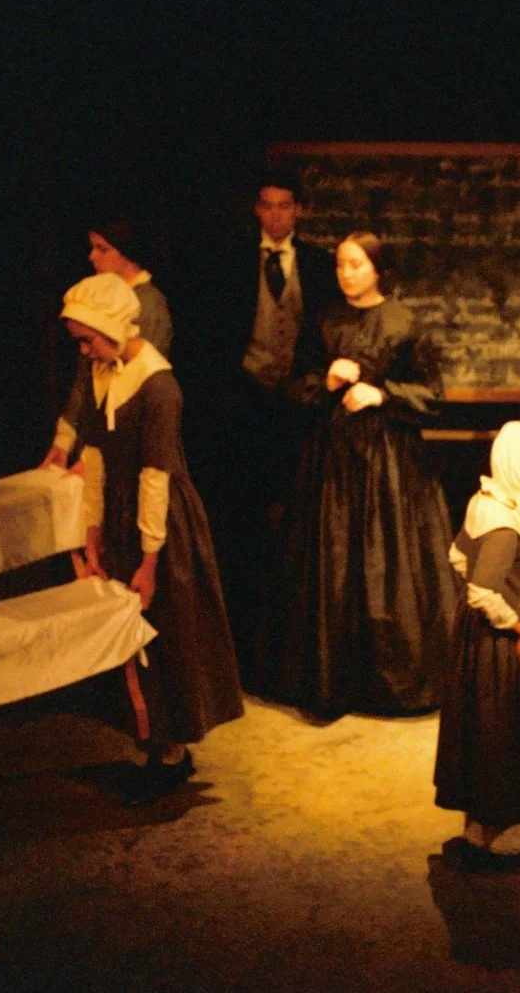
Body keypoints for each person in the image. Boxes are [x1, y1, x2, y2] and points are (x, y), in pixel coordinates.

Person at [256, 231, 458, 718]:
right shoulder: (323, 320)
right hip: (332, 463)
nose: (346, 274)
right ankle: (334, 681)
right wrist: (322, 382)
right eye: (341, 265)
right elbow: (291, 386)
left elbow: (434, 396)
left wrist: (382, 394)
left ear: (377, 269)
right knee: (334, 563)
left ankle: (390, 683)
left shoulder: (403, 322)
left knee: (387, 566)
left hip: (389, 466)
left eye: (356, 265)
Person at [60, 273, 244, 806]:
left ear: (113, 326)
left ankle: (172, 751)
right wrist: (91, 529)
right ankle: (152, 741)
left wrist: (148, 559)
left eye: (88, 338)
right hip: (118, 516)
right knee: (127, 636)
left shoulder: (158, 384)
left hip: (159, 524)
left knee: (165, 630)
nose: (84, 350)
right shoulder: (99, 370)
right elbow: (93, 457)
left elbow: (154, 476)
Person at [182, 170, 342, 670]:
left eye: (284, 206)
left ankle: (291, 628)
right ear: (256, 209)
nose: (276, 215)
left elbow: (328, 331)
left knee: (294, 516)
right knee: (242, 517)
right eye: (267, 206)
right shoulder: (230, 259)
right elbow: (209, 334)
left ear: (298, 210)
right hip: (240, 408)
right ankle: (244, 631)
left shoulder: (318, 265)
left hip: (298, 406)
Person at [435, 421, 520, 871]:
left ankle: (478, 834)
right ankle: (504, 844)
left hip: (477, 644)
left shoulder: (484, 504)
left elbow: (457, 557)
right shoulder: (504, 527)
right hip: (498, 650)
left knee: (478, 735)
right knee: (504, 740)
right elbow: (482, 592)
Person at [42, 218, 174, 468]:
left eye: (103, 248)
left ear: (127, 253)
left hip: (125, 452)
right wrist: (64, 442)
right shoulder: (98, 295)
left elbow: (130, 396)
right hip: (95, 443)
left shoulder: (148, 306)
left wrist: (94, 459)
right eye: (92, 247)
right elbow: (86, 379)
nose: (92, 256)